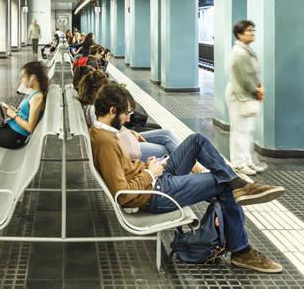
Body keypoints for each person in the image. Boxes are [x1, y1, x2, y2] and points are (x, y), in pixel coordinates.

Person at [90, 83, 286, 273]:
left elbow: (126, 171)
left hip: (155, 180)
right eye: (125, 113)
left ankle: (239, 188)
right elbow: (123, 195)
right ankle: (241, 249)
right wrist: (150, 173)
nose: (127, 119)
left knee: (196, 141)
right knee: (223, 184)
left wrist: (147, 167)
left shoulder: (104, 133)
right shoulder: (106, 143)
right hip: (156, 193)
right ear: (112, 110)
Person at [226, 20, 267, 176]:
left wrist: (259, 87)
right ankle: (238, 164)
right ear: (240, 34)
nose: (252, 33)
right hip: (239, 96)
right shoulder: (240, 53)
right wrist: (257, 91)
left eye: (253, 30)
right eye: (249, 30)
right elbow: (245, 79)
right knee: (240, 131)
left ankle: (247, 161)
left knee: (247, 130)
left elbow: (254, 74)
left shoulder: (246, 51)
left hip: (246, 95)